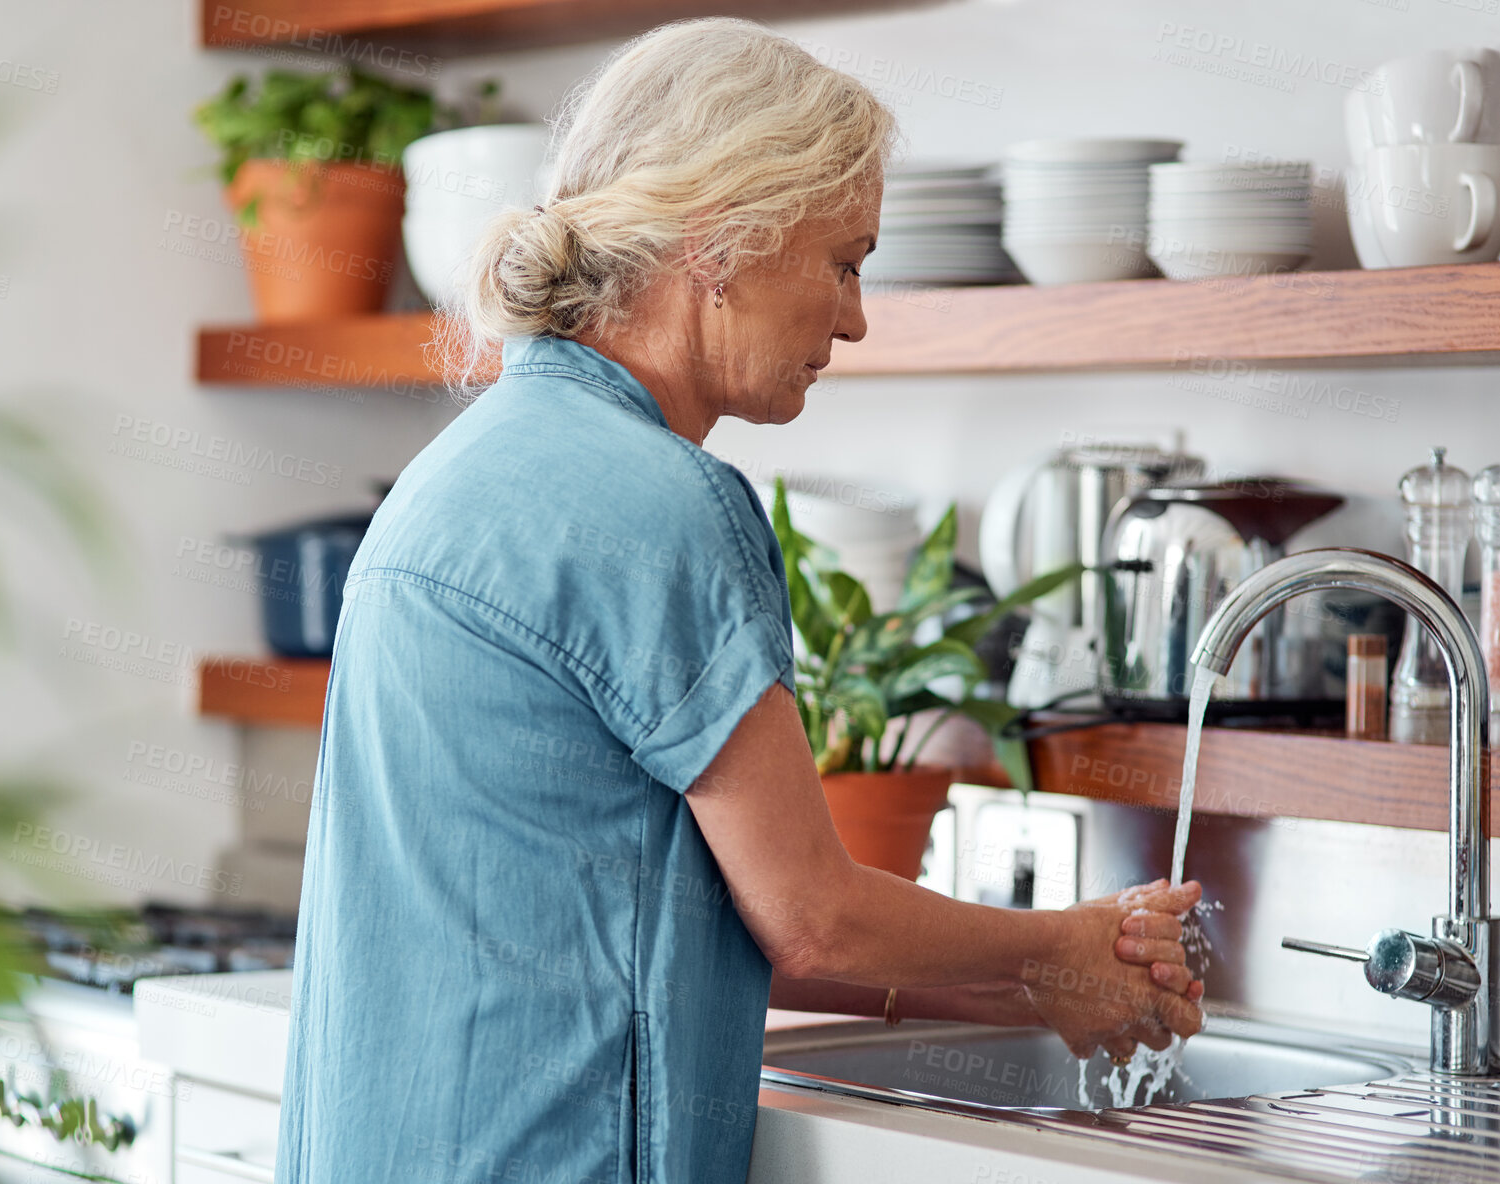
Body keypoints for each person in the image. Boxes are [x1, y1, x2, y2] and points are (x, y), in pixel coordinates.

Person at [275, 17, 1203, 1184]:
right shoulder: (660, 502)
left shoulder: (458, 475)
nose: (856, 316)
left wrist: (1047, 962)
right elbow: (814, 913)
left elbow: (695, 921)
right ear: (722, 243)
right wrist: (1056, 948)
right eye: (845, 259)